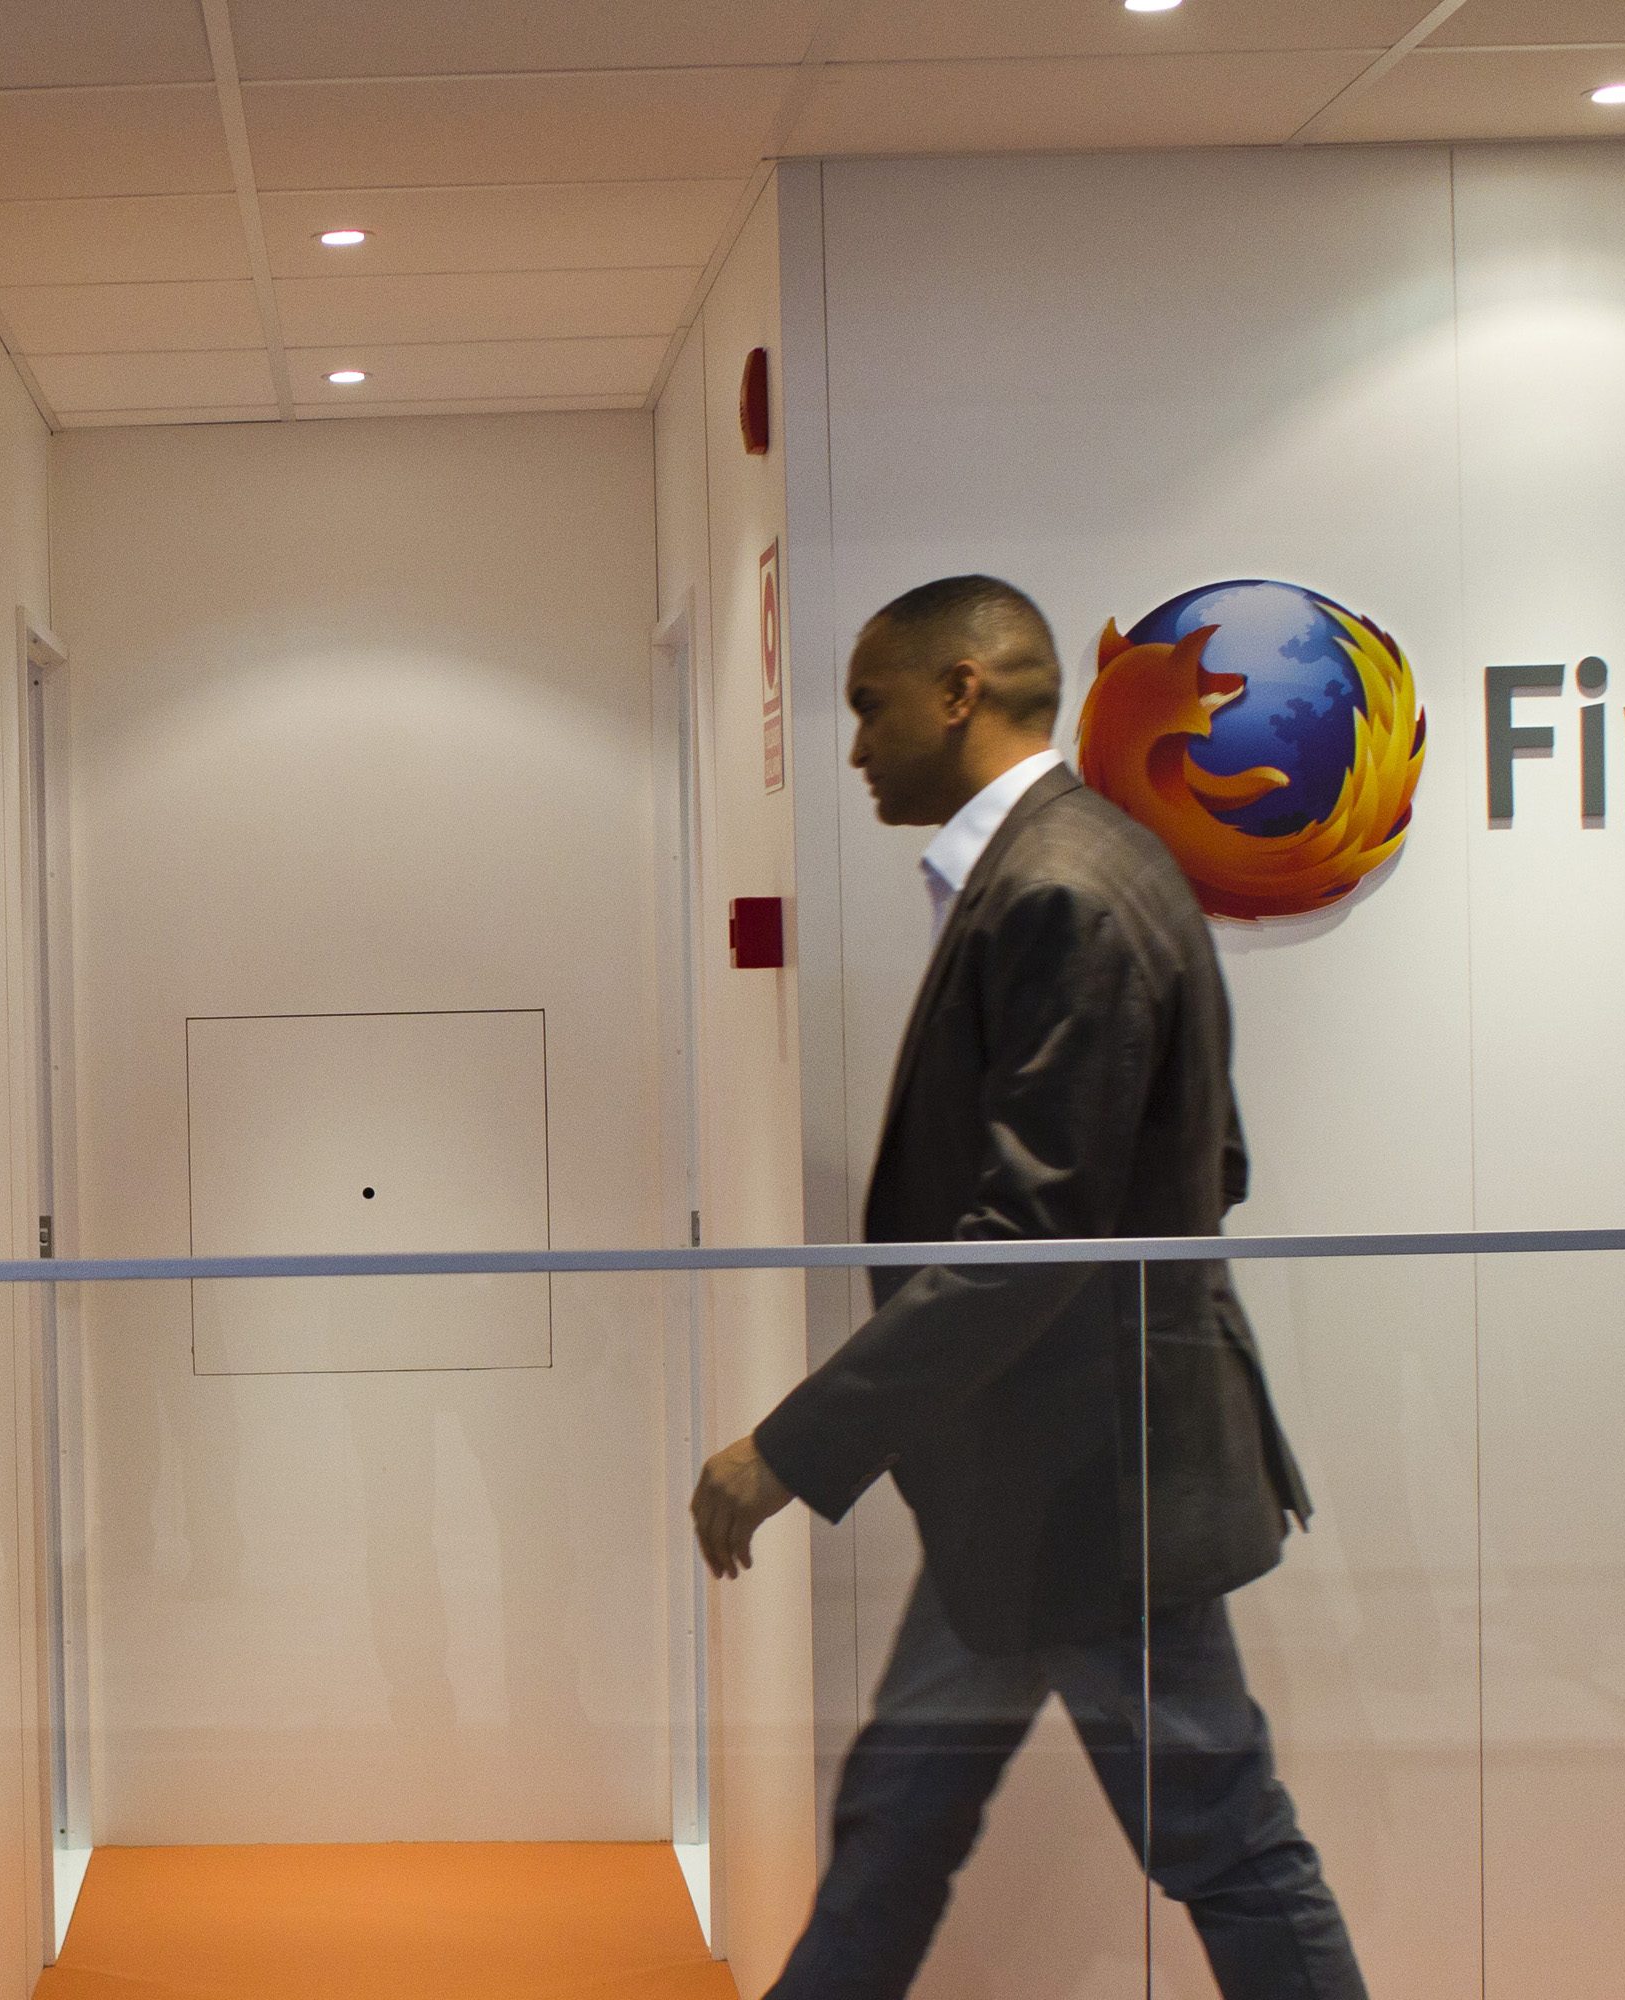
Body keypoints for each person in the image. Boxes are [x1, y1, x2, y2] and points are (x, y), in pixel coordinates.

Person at [688, 577, 1365, 1999]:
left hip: (1097, 1500)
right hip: (1044, 1477)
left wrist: (790, 1451)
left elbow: (1034, 1232)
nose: (856, 745)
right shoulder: (1090, 867)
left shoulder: (1062, 887)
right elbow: (1206, 1158)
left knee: (1226, 1848)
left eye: (871, 705)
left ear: (961, 693)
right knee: (898, 1831)